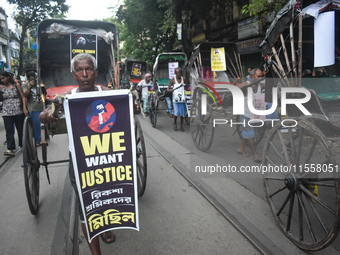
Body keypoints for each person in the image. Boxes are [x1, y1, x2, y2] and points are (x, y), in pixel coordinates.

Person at [39, 53, 117, 255]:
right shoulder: (68, 98)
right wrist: (50, 113)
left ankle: (105, 226)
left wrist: (133, 106)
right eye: (80, 70)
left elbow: (126, 106)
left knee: (107, 197)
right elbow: (42, 115)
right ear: (73, 74)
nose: (85, 74)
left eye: (89, 69)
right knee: (87, 206)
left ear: (96, 72)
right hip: (81, 160)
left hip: (109, 158)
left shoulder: (108, 92)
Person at [236, 68, 264, 162]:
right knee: (251, 134)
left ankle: (240, 149)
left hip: (255, 114)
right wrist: (245, 87)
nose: (260, 78)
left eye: (261, 76)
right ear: (252, 76)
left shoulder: (260, 85)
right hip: (246, 113)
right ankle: (255, 155)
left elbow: (270, 85)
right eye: (258, 76)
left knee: (249, 133)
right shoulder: (246, 84)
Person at [0, 70, 28, 156]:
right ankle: (10, 148)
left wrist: (24, 108)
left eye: (3, 78)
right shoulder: (1, 87)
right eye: (1, 79)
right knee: (9, 130)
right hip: (6, 111)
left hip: (18, 110)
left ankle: (22, 145)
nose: (2, 80)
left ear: (8, 77)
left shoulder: (17, 85)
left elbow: (23, 97)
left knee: (20, 129)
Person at [22, 71, 45, 147]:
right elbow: (25, 95)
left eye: (34, 78)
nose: (33, 80)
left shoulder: (40, 83)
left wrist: (42, 87)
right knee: (36, 124)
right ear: (28, 79)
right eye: (31, 79)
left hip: (42, 106)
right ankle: (38, 140)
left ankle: (44, 137)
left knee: (43, 123)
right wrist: (30, 87)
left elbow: (45, 93)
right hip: (33, 107)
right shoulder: (25, 85)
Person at [167, 67, 186, 132]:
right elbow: (168, 88)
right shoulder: (172, 80)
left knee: (182, 113)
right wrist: (170, 90)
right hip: (175, 99)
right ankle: (174, 123)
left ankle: (181, 126)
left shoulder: (183, 79)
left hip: (182, 99)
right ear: (175, 73)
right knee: (177, 112)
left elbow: (187, 86)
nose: (178, 74)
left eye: (179, 73)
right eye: (177, 73)